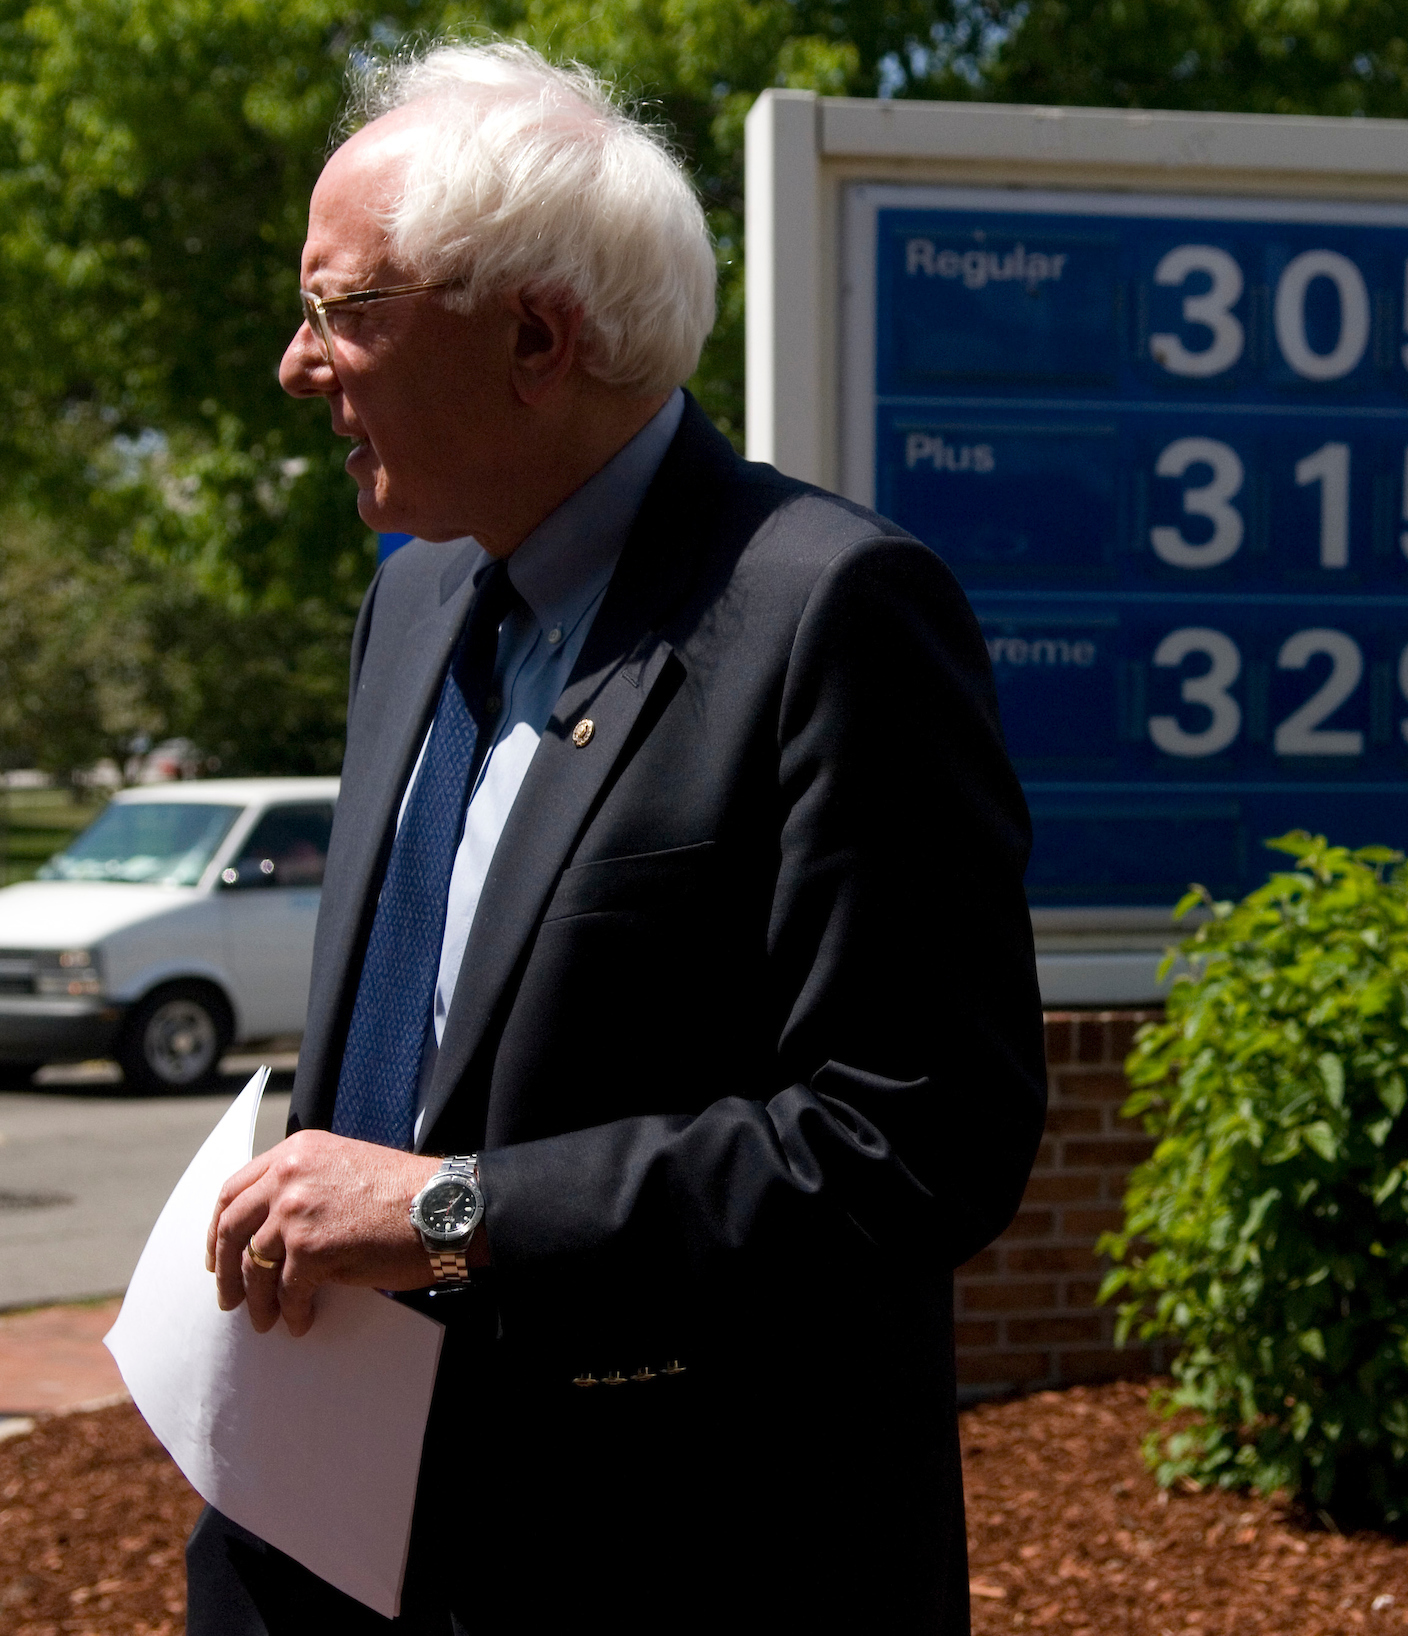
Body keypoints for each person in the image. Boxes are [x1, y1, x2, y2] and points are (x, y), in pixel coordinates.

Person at [189, 39, 1047, 1634]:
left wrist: (448, 1213)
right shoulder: (417, 591)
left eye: (343, 311)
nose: (300, 368)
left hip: (666, 1570)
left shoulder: (829, 613)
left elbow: (917, 1138)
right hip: (318, 1541)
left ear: (535, 334)